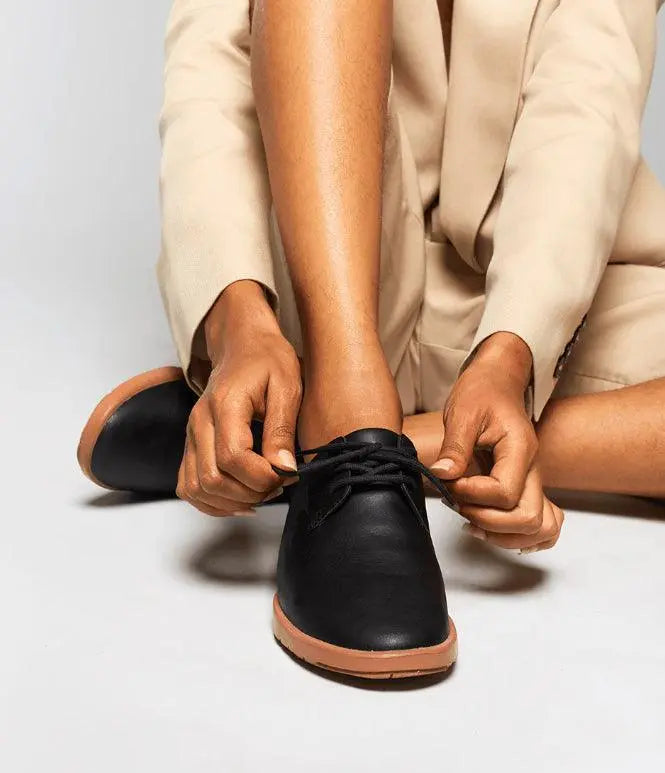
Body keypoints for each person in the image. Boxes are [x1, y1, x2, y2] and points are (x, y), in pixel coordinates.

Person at [78, 0, 665, 679]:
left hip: (534, 281)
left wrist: (513, 352)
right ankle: (347, 410)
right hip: (334, 274)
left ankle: (338, 445)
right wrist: (241, 322)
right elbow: (209, 74)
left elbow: (585, 103)